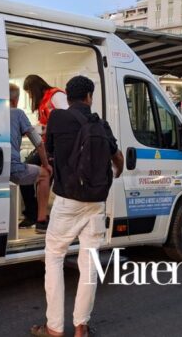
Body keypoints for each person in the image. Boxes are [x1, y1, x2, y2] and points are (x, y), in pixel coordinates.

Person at [30, 76, 124, 337]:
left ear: (68, 97)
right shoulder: (100, 124)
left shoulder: (57, 119)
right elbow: (118, 159)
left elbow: (48, 154)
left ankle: (54, 328)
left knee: (55, 257)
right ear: (89, 97)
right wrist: (114, 172)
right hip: (95, 203)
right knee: (89, 263)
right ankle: (81, 327)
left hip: (67, 202)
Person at [18, 75, 69, 232]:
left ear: (35, 88)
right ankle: (32, 214)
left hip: (57, 147)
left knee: (44, 176)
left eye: (29, 93)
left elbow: (66, 120)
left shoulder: (57, 96)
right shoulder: (43, 103)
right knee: (23, 172)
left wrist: (43, 129)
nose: (30, 97)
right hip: (46, 145)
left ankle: (41, 219)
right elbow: (46, 124)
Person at [8, 84, 53, 232]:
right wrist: (46, 164)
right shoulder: (18, 113)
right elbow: (39, 143)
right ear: (15, 101)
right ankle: (41, 221)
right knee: (44, 175)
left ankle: (28, 215)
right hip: (11, 167)